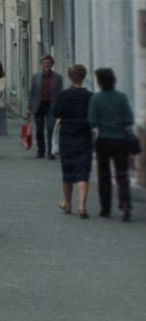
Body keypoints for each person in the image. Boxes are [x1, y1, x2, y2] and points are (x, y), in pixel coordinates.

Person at [88, 67, 137, 221]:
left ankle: (105, 208)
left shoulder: (96, 99)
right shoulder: (122, 98)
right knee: (122, 174)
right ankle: (125, 205)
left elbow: (92, 122)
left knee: (104, 175)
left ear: (100, 82)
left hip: (103, 140)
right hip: (121, 140)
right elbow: (129, 120)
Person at [54, 64, 93, 218]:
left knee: (68, 171)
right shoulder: (90, 96)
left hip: (67, 137)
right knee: (83, 172)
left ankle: (68, 203)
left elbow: (57, 112)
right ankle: (82, 206)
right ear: (84, 77)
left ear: (70, 77)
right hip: (84, 137)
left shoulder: (63, 95)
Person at [26, 54, 63, 158]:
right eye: (44, 63)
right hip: (39, 105)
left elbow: (60, 94)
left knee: (51, 127)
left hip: (51, 105)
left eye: (48, 63)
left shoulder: (58, 78)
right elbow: (32, 93)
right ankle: (40, 150)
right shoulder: (35, 77)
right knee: (39, 129)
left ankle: (50, 151)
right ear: (41, 64)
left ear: (51, 64)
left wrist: (61, 110)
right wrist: (29, 108)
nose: (46, 65)